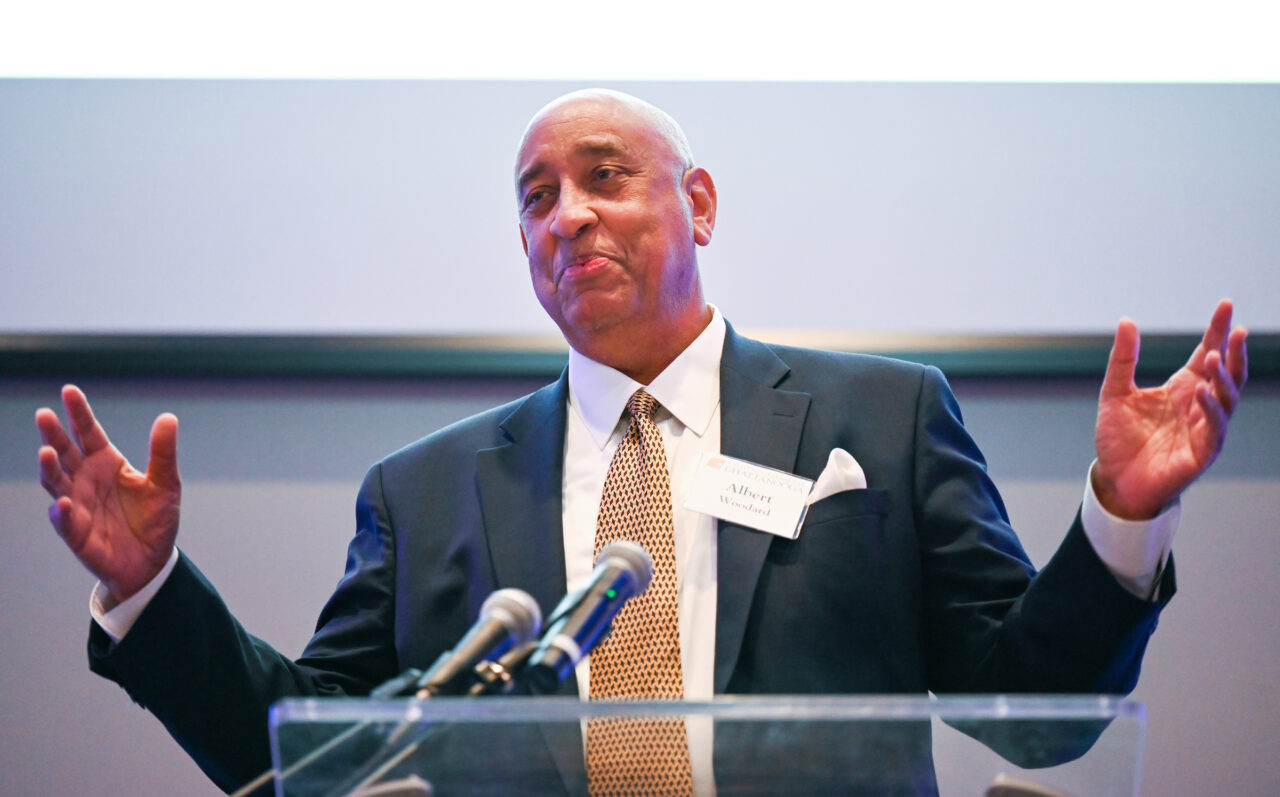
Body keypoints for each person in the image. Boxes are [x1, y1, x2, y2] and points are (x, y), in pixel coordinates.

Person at [36, 89, 1249, 794]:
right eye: (535, 198)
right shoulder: (424, 489)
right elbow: (311, 756)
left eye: (604, 177)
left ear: (698, 203)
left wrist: (1120, 514)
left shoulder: (883, 418)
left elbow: (1035, 715)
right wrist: (150, 591)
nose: (567, 216)